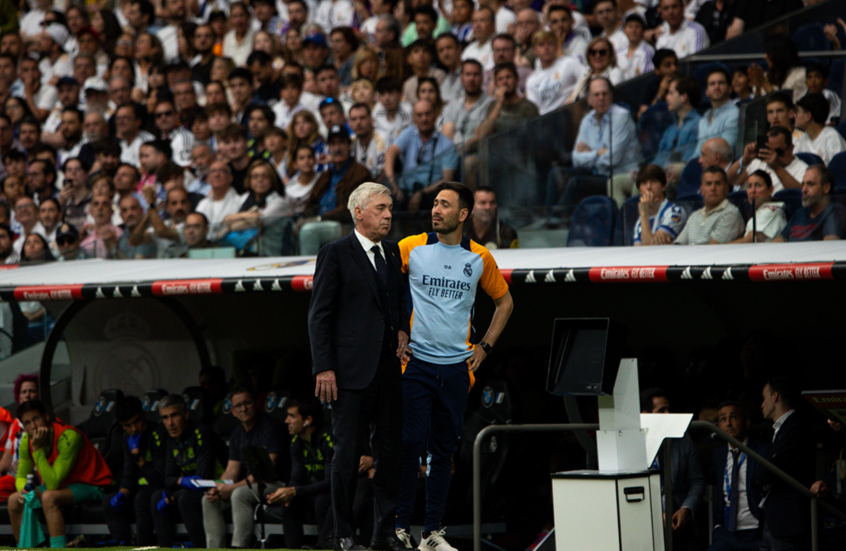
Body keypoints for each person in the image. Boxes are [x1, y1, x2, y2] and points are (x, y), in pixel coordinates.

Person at [396, 182, 513, 551]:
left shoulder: (480, 257)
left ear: (463, 214)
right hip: (415, 364)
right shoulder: (410, 247)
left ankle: (431, 534)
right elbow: (381, 286)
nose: (435, 209)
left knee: (443, 453)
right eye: (434, 203)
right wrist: (397, 331)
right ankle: (400, 528)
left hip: (457, 370)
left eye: (444, 205)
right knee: (411, 444)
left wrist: (485, 346)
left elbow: (505, 303)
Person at [308, 182, 409, 551]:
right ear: (359, 212)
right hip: (347, 373)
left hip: (387, 371)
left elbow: (398, 300)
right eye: (381, 208)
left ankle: (385, 532)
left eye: (389, 208)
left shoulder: (393, 252)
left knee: (391, 452)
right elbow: (319, 315)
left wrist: (401, 328)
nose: (388, 215)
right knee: (347, 455)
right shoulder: (335, 253)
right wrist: (324, 367)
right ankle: (344, 534)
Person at [7, 400, 112, 549]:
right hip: (64, 486)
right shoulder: (27, 442)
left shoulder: (68, 437)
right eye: (28, 423)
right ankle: (24, 548)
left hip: (92, 485)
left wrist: (37, 450)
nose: (34, 426)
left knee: (49, 497)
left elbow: (53, 483)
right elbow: (21, 476)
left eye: (36, 419)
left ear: (46, 417)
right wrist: (24, 489)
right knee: (14, 500)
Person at [202, 385, 287, 549]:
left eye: (247, 403)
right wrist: (219, 487)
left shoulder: (270, 427)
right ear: (232, 411)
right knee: (209, 500)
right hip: (251, 484)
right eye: (238, 406)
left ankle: (239, 547)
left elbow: (265, 471)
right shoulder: (237, 432)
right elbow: (231, 471)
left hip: (276, 483)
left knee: (239, 494)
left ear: (257, 403)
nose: (244, 409)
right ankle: (214, 548)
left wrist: (232, 488)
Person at [151, 394, 227, 549]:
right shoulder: (171, 439)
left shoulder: (202, 433)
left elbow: (203, 479)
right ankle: (165, 547)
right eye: (165, 418)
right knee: (156, 497)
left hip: (219, 486)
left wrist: (172, 498)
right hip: (190, 489)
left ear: (186, 414)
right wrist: (181, 481)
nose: (170, 423)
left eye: (174, 415)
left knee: (185, 499)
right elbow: (168, 478)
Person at [267, 396, 334, 549]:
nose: (286, 421)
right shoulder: (296, 442)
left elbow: (331, 482)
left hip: (334, 493)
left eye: (291, 416)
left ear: (307, 420)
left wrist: (294, 490)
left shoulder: (329, 439)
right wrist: (287, 493)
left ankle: (324, 546)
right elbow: (296, 477)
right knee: (289, 504)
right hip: (313, 491)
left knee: (322, 499)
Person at [756, 377, 815, 550]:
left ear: (775, 397)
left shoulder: (796, 427)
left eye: (763, 398)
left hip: (788, 524)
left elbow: (773, 468)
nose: (761, 405)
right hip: (772, 522)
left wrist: (760, 480)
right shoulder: (780, 428)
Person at [640, 389, 705, 544]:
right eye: (661, 411)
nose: (668, 415)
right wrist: (655, 513)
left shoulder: (682, 439)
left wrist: (686, 509)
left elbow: (697, 481)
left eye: (668, 409)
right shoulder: (632, 442)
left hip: (678, 514)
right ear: (645, 415)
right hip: (643, 515)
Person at [103, 396, 167, 546]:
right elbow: (129, 474)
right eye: (127, 425)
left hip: (158, 490)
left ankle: (143, 546)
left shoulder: (159, 433)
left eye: (137, 421)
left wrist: (138, 456)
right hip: (141, 489)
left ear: (144, 415)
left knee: (142, 497)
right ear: (121, 425)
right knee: (108, 503)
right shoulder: (128, 439)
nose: (134, 429)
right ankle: (123, 545)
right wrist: (122, 493)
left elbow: (158, 479)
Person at [298, 126, 370, 254]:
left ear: (349, 146)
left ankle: (312, 273)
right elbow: (312, 202)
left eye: (341, 143)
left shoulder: (360, 173)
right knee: (294, 226)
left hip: (346, 226)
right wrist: (303, 217)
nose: (337, 148)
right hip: (322, 223)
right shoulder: (327, 174)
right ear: (329, 148)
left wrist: (319, 218)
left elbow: (351, 210)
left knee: (308, 231)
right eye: (333, 144)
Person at [707, 402, 769, 551]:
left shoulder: (761, 450)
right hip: (726, 532)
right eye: (722, 419)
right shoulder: (719, 454)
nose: (728, 423)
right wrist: (717, 526)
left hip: (755, 532)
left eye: (733, 417)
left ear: (746, 423)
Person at [384, 100, 459, 212]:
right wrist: (393, 183)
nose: (424, 119)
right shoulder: (409, 133)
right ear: (414, 118)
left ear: (435, 115)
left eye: (427, 114)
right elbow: (390, 153)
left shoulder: (447, 145)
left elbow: (447, 180)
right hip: (404, 191)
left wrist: (422, 192)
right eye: (419, 115)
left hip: (431, 194)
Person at [775, 165, 846, 242]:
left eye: (810, 184)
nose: (803, 190)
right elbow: (779, 240)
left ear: (826, 188)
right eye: (803, 184)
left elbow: (830, 247)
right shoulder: (799, 214)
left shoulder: (835, 211)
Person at [675, 167, 744, 245]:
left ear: (726, 188)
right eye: (708, 184)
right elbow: (678, 245)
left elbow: (713, 249)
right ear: (701, 190)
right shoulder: (694, 216)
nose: (713, 188)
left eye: (718, 184)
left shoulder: (731, 214)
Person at [728, 126, 807, 193]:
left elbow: (800, 194)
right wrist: (745, 160)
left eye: (778, 152)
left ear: (791, 148)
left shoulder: (802, 168)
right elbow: (729, 180)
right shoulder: (757, 162)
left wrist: (777, 167)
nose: (774, 155)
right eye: (769, 150)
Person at [0, 374, 39, 501]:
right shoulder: (15, 424)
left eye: (32, 391)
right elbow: (6, 461)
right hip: (13, 476)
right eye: (24, 392)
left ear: (38, 395)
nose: (27, 395)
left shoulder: (44, 421)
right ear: (19, 397)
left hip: (34, 476)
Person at [525, 30, 582, 115]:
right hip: (546, 122)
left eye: (550, 44)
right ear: (534, 50)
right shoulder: (532, 80)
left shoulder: (569, 63)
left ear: (556, 47)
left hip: (570, 115)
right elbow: (535, 110)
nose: (546, 48)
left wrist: (573, 97)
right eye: (541, 45)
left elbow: (586, 78)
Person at [475, 63, 540, 139]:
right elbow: (482, 134)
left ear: (516, 79)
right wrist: (498, 104)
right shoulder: (493, 106)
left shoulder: (529, 107)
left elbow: (535, 136)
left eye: (508, 77)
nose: (505, 81)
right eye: (500, 79)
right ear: (496, 84)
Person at [633, 164, 687, 246]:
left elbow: (651, 249)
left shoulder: (675, 212)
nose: (648, 187)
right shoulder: (640, 221)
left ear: (664, 186)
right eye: (644, 183)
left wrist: (644, 214)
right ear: (639, 190)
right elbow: (638, 249)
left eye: (653, 181)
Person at [730, 171, 786, 244]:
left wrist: (722, 249)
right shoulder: (758, 211)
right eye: (749, 186)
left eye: (758, 185)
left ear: (770, 190)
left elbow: (748, 240)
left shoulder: (771, 210)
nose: (752, 191)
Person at [794, 92, 846, 166]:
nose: (794, 116)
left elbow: (839, 168)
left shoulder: (832, 137)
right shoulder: (802, 138)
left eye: (797, 112)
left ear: (808, 116)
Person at [697, 68, 740, 152]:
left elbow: (724, 149)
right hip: (704, 162)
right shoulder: (705, 117)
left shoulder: (734, 113)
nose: (716, 87)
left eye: (721, 83)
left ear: (730, 89)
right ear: (706, 91)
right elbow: (698, 150)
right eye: (712, 84)